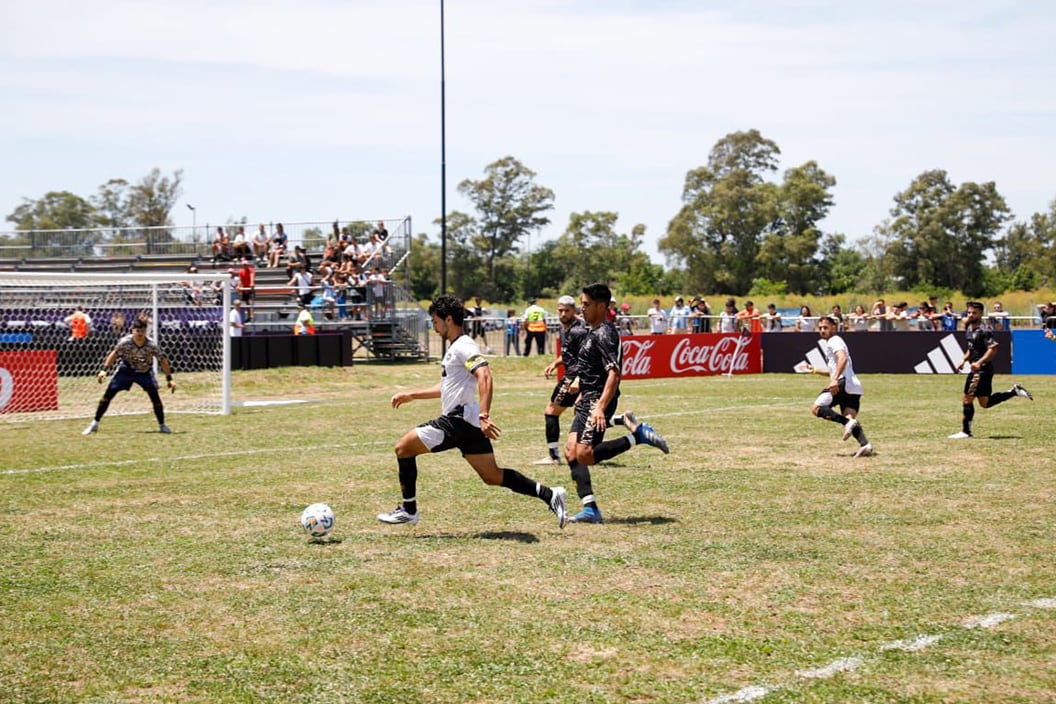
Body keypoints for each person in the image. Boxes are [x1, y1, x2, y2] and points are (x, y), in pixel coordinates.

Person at [376, 294, 568, 529]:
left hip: (457, 420)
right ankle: (551, 495)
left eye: (435, 322)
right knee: (492, 476)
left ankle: (409, 509)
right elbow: (448, 387)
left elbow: (484, 374)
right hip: (467, 423)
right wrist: (412, 395)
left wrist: (485, 415)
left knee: (403, 448)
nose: (434, 328)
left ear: (448, 319)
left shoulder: (464, 345)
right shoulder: (456, 348)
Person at [564, 283, 670, 524]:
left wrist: (600, 406)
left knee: (585, 455)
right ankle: (590, 508)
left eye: (587, 305)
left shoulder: (605, 333)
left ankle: (638, 436)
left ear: (601, 306)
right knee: (571, 451)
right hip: (587, 399)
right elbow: (594, 368)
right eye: (581, 304)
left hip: (599, 399)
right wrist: (581, 390)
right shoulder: (592, 330)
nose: (582, 309)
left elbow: (614, 373)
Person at [948, 301, 1033, 439]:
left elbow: (993, 349)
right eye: (969, 312)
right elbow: (971, 348)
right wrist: (963, 360)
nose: (970, 315)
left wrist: (979, 362)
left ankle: (965, 432)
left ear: (981, 314)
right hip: (981, 370)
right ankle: (1014, 391)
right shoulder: (970, 328)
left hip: (981, 370)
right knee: (985, 403)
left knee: (967, 399)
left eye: (974, 313)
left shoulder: (984, 330)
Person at [83, 317, 175, 435]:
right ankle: (94, 424)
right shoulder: (125, 342)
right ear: (132, 331)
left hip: (144, 372)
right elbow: (114, 354)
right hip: (126, 370)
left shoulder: (151, 345)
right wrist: (104, 370)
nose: (140, 333)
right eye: (137, 331)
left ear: (146, 331)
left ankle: (162, 425)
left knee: (155, 397)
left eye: (142, 331)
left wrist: (169, 379)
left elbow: (163, 360)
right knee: (108, 394)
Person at [805, 316, 873, 457]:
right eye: (821, 328)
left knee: (816, 408)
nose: (822, 330)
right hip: (854, 386)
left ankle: (847, 423)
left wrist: (835, 380)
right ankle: (865, 445)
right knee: (850, 420)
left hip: (843, 382)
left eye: (826, 327)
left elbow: (843, 358)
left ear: (833, 328)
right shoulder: (833, 343)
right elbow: (833, 369)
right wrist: (814, 370)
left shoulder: (834, 340)